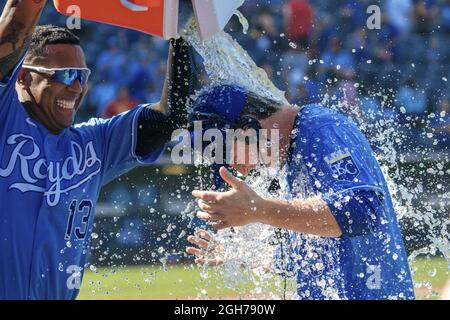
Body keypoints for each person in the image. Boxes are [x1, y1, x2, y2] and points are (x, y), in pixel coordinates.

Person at [0, 0, 196, 299]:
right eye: (66, 75)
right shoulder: (5, 120)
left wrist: (181, 31)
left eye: (83, 77)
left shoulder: (95, 143)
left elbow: (170, 117)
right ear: (24, 78)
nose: (77, 88)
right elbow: (17, 19)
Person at [186, 84, 415, 300]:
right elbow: (309, 255)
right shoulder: (296, 150)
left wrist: (258, 210)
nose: (240, 170)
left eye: (230, 157)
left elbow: (362, 212)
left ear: (248, 131)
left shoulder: (321, 129)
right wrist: (238, 255)